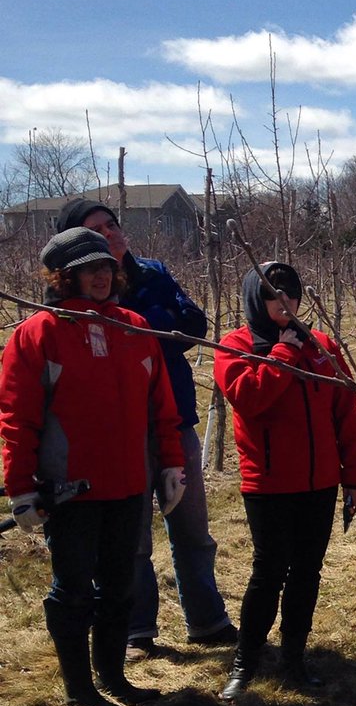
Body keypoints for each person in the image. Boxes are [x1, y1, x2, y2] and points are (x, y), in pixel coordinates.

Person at [0, 228, 184, 706]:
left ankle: (114, 675)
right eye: (88, 269)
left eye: (105, 267)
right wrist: (20, 487)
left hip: (129, 485)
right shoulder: (38, 333)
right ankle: (80, 690)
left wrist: (170, 464)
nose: (101, 276)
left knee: (121, 585)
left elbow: (161, 408)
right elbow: (18, 418)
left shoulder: (134, 326)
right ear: (64, 277)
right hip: (70, 490)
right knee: (74, 589)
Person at [55, 198, 235, 660]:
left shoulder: (152, 273)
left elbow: (192, 322)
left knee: (192, 525)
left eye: (112, 225)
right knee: (130, 537)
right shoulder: (75, 305)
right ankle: (137, 630)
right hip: (120, 432)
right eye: (97, 229)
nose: (111, 233)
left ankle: (207, 620)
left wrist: (146, 325)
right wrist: (154, 326)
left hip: (175, 419)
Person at [213, 261, 356, 700]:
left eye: (291, 293)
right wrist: (282, 353)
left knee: (307, 572)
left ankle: (294, 659)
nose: (284, 302)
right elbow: (249, 399)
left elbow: (346, 413)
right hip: (269, 484)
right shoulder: (236, 346)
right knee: (268, 572)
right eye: (271, 293)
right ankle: (246, 661)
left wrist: (353, 477)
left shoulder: (321, 346)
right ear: (254, 298)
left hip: (319, 482)